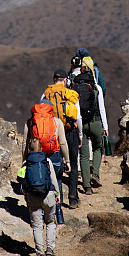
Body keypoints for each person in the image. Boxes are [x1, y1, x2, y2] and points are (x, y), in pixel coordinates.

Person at [41, 68, 83, 209]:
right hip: (70, 131)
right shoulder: (71, 94)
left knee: (54, 165)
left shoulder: (46, 94)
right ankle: (73, 198)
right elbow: (78, 117)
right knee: (73, 164)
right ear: (65, 80)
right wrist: (80, 134)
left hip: (53, 132)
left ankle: (56, 199)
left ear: (54, 80)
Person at [69, 57, 109, 195]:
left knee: (84, 155)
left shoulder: (74, 85)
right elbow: (102, 108)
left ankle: (86, 186)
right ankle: (95, 174)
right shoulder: (96, 86)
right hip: (96, 121)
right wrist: (105, 127)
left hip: (81, 123)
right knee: (98, 148)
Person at [19, 137, 61, 256]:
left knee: (37, 226)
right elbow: (53, 179)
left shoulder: (26, 163)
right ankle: (50, 249)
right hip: (48, 195)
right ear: (41, 148)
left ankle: (40, 253)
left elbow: (23, 182)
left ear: (28, 149)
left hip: (33, 197)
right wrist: (57, 194)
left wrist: (26, 196)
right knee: (50, 222)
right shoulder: (46, 161)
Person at [21, 100, 71, 201]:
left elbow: (25, 143)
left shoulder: (30, 122)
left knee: (38, 181)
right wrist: (67, 161)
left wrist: (24, 159)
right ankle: (57, 208)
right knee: (57, 180)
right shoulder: (56, 121)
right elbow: (63, 143)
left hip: (36, 158)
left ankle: (40, 209)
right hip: (55, 157)